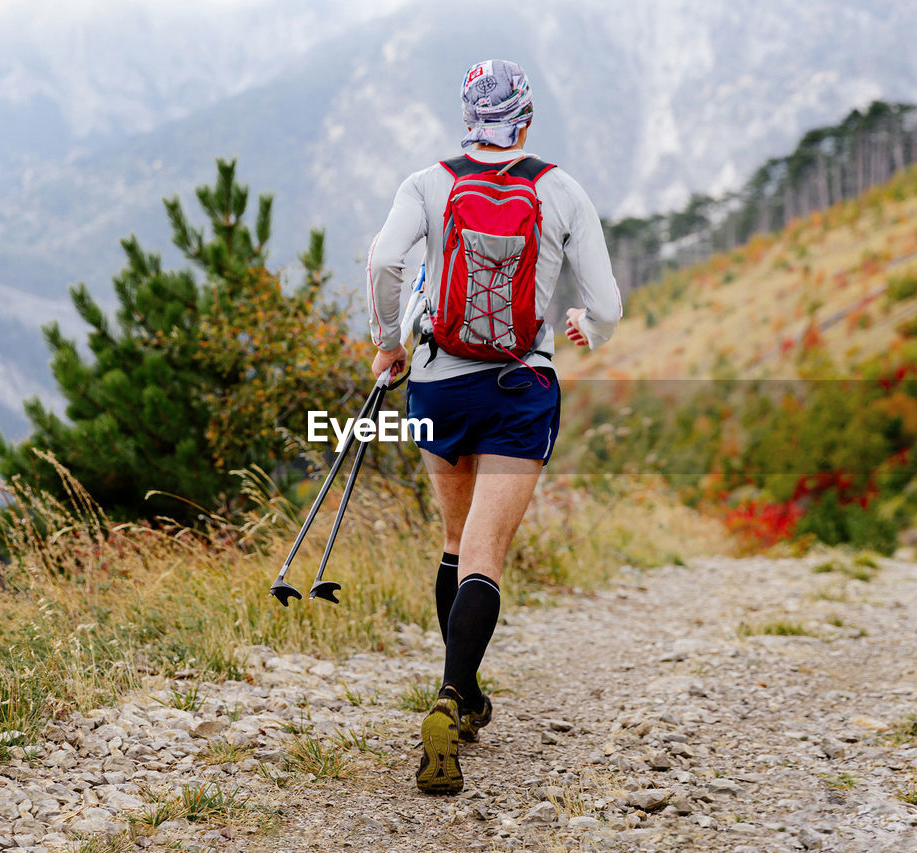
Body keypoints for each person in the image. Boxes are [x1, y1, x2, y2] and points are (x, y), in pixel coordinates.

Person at [366, 58, 621, 795]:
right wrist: (585, 325)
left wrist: (389, 341)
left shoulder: (429, 183)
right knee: (485, 551)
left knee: (454, 542)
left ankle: (466, 696)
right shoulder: (559, 188)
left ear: (466, 117)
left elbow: (385, 259)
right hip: (519, 386)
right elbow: (605, 303)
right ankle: (452, 696)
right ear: (527, 118)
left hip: (440, 385)